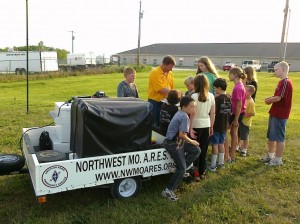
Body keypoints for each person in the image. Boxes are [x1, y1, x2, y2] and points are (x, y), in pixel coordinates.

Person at [162, 96, 200, 201]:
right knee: (182, 168)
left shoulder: (180, 113)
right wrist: (192, 141)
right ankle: (167, 190)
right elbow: (182, 134)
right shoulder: (184, 117)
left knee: (196, 150)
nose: (194, 109)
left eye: (195, 107)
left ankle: (178, 169)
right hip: (173, 143)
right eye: (192, 107)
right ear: (184, 107)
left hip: (177, 142)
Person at [261, 61, 293, 166]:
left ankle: (278, 159)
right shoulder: (281, 82)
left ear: (283, 69)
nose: (275, 71)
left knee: (279, 137)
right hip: (275, 113)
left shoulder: (285, 82)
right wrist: (270, 98)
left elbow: (278, 98)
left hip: (280, 114)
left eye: (276, 69)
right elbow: (277, 95)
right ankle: (270, 156)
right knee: (271, 136)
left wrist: (268, 100)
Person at [190, 74, 215, 180]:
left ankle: (195, 174)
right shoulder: (211, 96)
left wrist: (190, 128)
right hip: (206, 124)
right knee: (204, 150)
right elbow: (213, 113)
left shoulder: (193, 96)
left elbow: (192, 114)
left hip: (196, 125)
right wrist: (212, 126)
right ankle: (202, 172)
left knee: (195, 150)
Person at [207, 78, 231, 172]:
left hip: (216, 126)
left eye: (215, 88)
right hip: (224, 125)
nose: (214, 89)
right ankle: (220, 163)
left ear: (219, 88)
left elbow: (213, 112)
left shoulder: (216, 99)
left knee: (215, 145)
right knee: (221, 144)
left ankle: (212, 165)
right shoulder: (229, 98)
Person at [148, 55, 176, 128]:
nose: (171, 69)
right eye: (170, 67)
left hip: (165, 102)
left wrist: (174, 94)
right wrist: (177, 94)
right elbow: (162, 89)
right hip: (155, 102)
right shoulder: (155, 73)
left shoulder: (170, 73)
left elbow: (172, 87)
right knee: (155, 124)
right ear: (164, 65)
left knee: (163, 123)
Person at [227, 67, 246, 162]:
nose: (228, 76)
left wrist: (236, 119)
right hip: (236, 112)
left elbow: (239, 104)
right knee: (232, 132)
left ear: (235, 74)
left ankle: (231, 154)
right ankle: (231, 153)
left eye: (229, 74)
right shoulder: (239, 85)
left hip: (236, 113)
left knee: (232, 132)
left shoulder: (238, 87)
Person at [237, 85, 256, 157]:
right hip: (240, 120)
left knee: (245, 136)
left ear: (251, 93)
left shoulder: (251, 102)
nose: (244, 92)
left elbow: (252, 113)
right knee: (238, 134)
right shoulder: (243, 98)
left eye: (246, 91)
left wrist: (243, 116)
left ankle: (244, 149)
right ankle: (237, 146)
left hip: (245, 122)